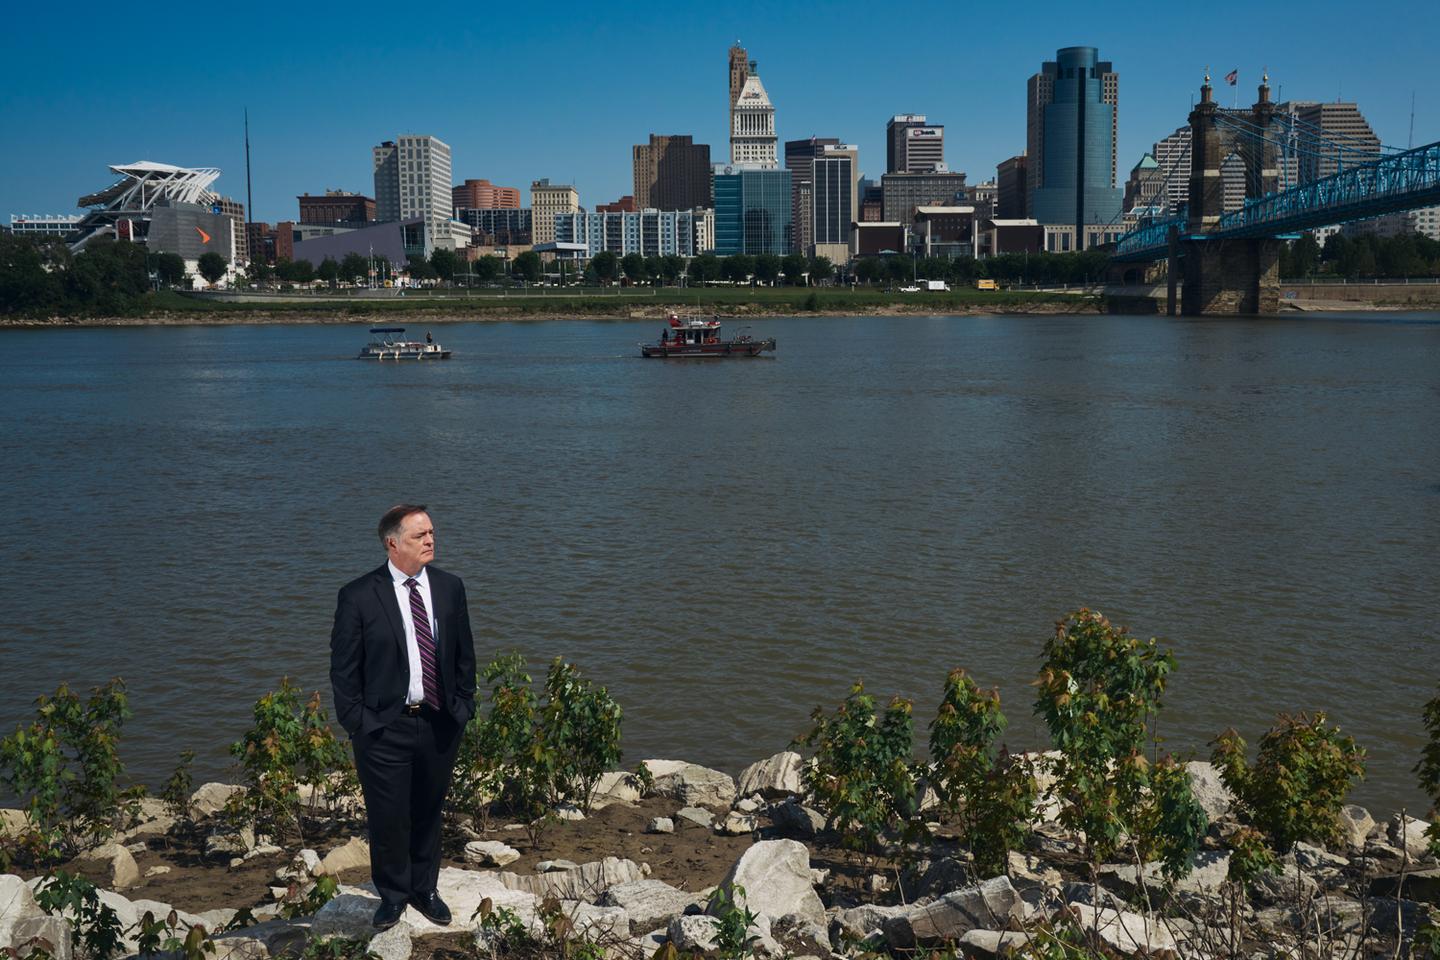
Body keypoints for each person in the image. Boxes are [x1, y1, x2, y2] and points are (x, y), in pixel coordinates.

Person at [330, 505, 477, 930]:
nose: (430, 540)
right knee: (388, 814)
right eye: (420, 535)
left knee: (430, 808)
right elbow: (343, 669)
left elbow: (464, 654)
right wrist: (358, 722)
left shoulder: (450, 588)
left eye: (431, 532)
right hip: (383, 726)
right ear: (392, 544)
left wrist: (462, 707)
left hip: (439, 721)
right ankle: (393, 895)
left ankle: (425, 889)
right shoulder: (358, 595)